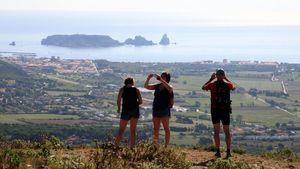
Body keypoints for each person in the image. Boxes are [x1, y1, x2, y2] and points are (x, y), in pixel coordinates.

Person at [202, 69, 235, 158]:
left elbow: (204, 87)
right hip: (225, 110)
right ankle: (228, 152)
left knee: (216, 132)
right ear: (223, 75)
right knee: (227, 132)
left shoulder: (212, 84)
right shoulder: (228, 84)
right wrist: (226, 78)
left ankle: (218, 151)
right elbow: (233, 87)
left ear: (216, 75)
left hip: (215, 110)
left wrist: (211, 78)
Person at [144, 72, 174, 147]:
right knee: (156, 129)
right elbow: (146, 86)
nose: (162, 77)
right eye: (161, 76)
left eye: (164, 77)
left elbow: (170, 88)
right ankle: (155, 145)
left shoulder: (169, 86)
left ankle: (166, 145)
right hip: (156, 109)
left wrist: (161, 79)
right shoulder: (157, 86)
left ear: (167, 78)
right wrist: (148, 78)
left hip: (164, 109)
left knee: (166, 128)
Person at [115, 77, 142, 148]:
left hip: (125, 111)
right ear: (132, 82)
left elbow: (118, 101)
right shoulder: (136, 90)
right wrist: (135, 103)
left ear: (125, 83)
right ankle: (132, 147)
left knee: (121, 130)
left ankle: (116, 146)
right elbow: (140, 101)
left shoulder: (122, 90)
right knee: (133, 130)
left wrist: (118, 108)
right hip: (135, 111)